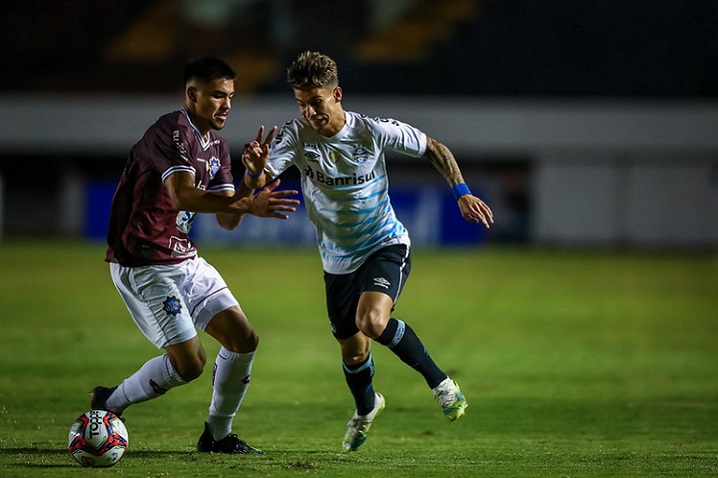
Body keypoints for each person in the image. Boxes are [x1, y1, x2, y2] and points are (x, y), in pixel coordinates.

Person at [242, 51, 494, 451]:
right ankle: (365, 408)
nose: (309, 112)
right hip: (336, 260)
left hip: (384, 242)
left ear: (337, 94)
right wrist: (254, 168)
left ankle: (442, 384)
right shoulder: (295, 136)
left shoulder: (372, 131)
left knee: (372, 321)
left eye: (316, 102)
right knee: (353, 351)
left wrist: (461, 192)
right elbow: (256, 182)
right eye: (301, 104)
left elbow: (435, 147)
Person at [90, 56, 300, 454]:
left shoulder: (218, 146)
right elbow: (183, 195)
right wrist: (246, 201)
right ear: (192, 94)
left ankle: (217, 435)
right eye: (218, 95)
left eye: (231, 97)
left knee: (244, 339)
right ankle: (110, 401)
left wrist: (252, 180)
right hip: (145, 261)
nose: (227, 105)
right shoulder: (170, 131)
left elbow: (226, 219)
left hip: (184, 260)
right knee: (190, 365)